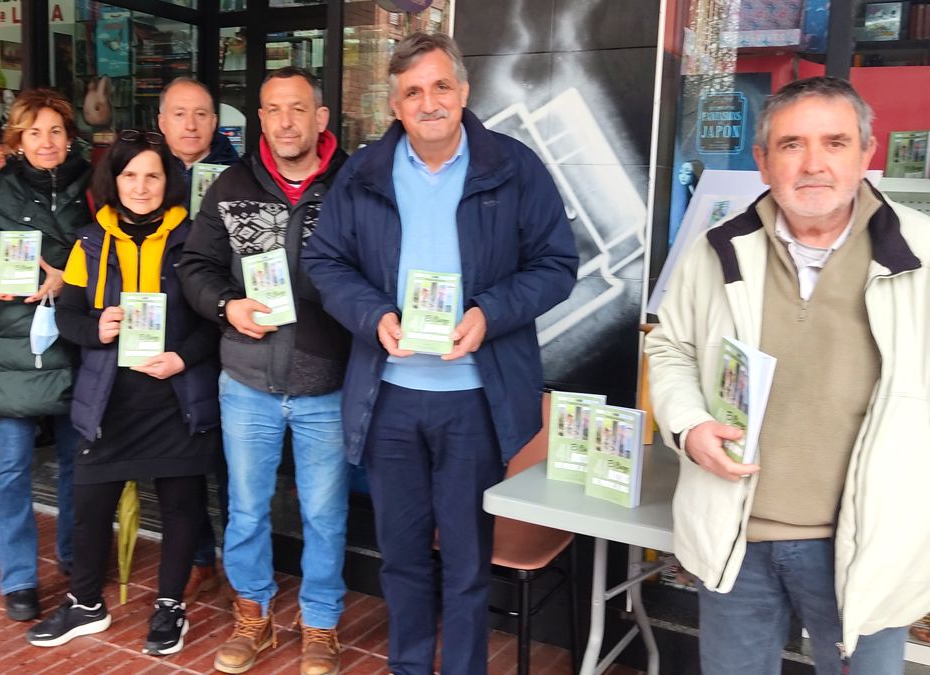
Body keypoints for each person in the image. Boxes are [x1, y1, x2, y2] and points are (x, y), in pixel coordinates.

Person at [303, 33, 578, 674]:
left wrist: (490, 313)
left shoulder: (514, 167)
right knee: (399, 554)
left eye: (440, 86)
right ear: (395, 106)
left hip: (473, 402)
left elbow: (557, 265)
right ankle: (407, 666)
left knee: (465, 560)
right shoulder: (364, 171)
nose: (429, 102)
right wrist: (374, 316)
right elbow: (325, 261)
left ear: (463, 92)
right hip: (390, 397)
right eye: (413, 92)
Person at [646, 76, 930, 675]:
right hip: (737, 536)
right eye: (792, 144)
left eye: (835, 143)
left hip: (864, 548)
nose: (814, 164)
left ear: (866, 152)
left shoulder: (921, 254)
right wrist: (690, 425)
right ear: (762, 160)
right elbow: (670, 348)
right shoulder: (716, 248)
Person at [178, 67, 351, 675]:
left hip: (326, 385)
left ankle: (321, 622)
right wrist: (227, 305)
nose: (285, 121)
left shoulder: (351, 186)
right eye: (272, 110)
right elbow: (195, 265)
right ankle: (253, 615)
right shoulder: (229, 186)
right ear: (260, 120)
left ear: (320, 118)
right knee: (247, 509)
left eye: (298, 109)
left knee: (324, 514)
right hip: (247, 382)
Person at [26, 130, 221, 657]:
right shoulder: (91, 241)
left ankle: (170, 607)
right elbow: (67, 315)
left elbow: (217, 318)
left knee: (183, 505)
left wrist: (183, 357)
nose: (140, 186)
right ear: (113, 180)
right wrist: (97, 328)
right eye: (129, 174)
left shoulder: (196, 239)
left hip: (175, 392)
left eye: (152, 175)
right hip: (110, 395)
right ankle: (86, 603)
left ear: (169, 181)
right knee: (90, 501)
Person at [0, 88, 91, 622]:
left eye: (56, 131)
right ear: (17, 140)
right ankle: (18, 577)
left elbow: (110, 255)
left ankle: (71, 554)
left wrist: (69, 280)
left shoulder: (94, 188)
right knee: (12, 464)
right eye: (34, 132)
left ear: (69, 137)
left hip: (74, 334)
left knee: (74, 461)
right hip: (16, 340)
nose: (46, 142)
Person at [155, 75, 239, 603]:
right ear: (161, 122)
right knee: (180, 459)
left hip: (228, 332)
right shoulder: (143, 173)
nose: (190, 124)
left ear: (217, 122)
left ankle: (240, 566)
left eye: (201, 114)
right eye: (179, 114)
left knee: (232, 461)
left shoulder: (239, 175)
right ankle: (199, 556)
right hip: (168, 333)